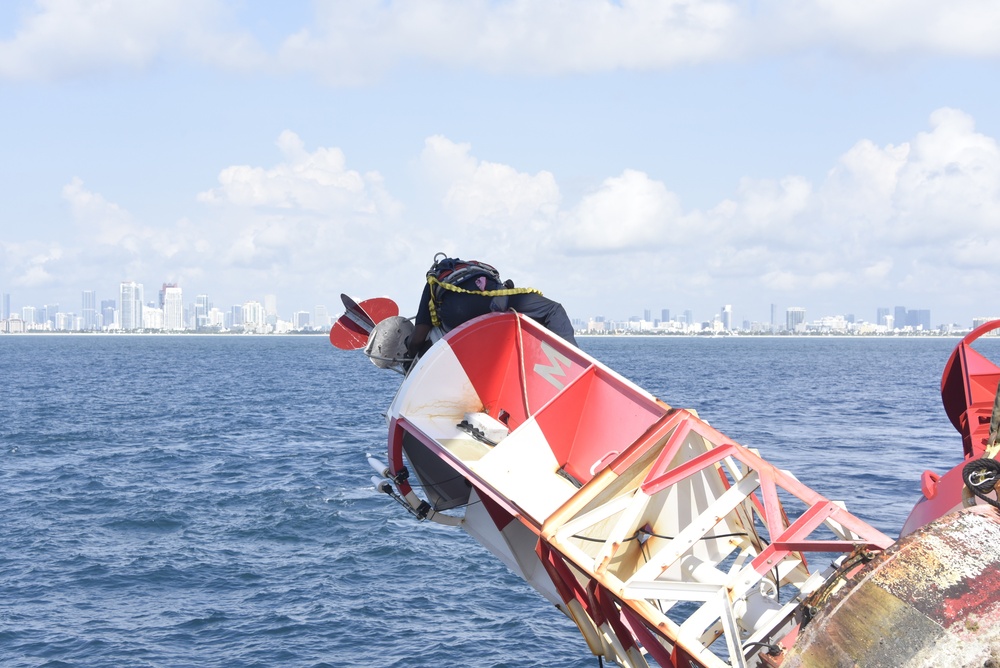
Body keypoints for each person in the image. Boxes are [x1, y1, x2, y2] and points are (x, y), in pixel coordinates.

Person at [406, 254, 578, 356]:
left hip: (457, 314)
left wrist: (411, 354)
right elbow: (502, 290)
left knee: (432, 337)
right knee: (552, 310)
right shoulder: (479, 270)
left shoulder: (433, 283)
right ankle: (573, 363)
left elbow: (418, 337)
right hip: (494, 301)